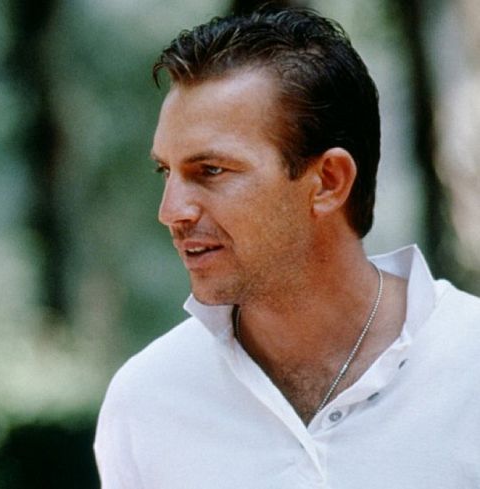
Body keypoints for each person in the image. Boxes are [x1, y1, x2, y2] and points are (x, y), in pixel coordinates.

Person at [95, 7, 480, 488]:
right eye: (165, 171)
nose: (171, 210)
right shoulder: (145, 403)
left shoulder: (469, 363)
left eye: (211, 171)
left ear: (329, 181)